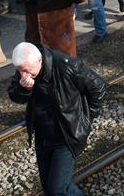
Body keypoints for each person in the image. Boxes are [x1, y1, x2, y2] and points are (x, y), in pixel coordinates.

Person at [7, 42, 106, 196]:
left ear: (39, 61)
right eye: (20, 71)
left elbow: (98, 86)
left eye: (26, 71)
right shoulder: (24, 68)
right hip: (43, 137)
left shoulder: (66, 66)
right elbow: (14, 95)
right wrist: (23, 89)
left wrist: (86, 118)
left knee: (58, 190)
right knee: (48, 187)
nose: (23, 75)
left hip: (65, 137)